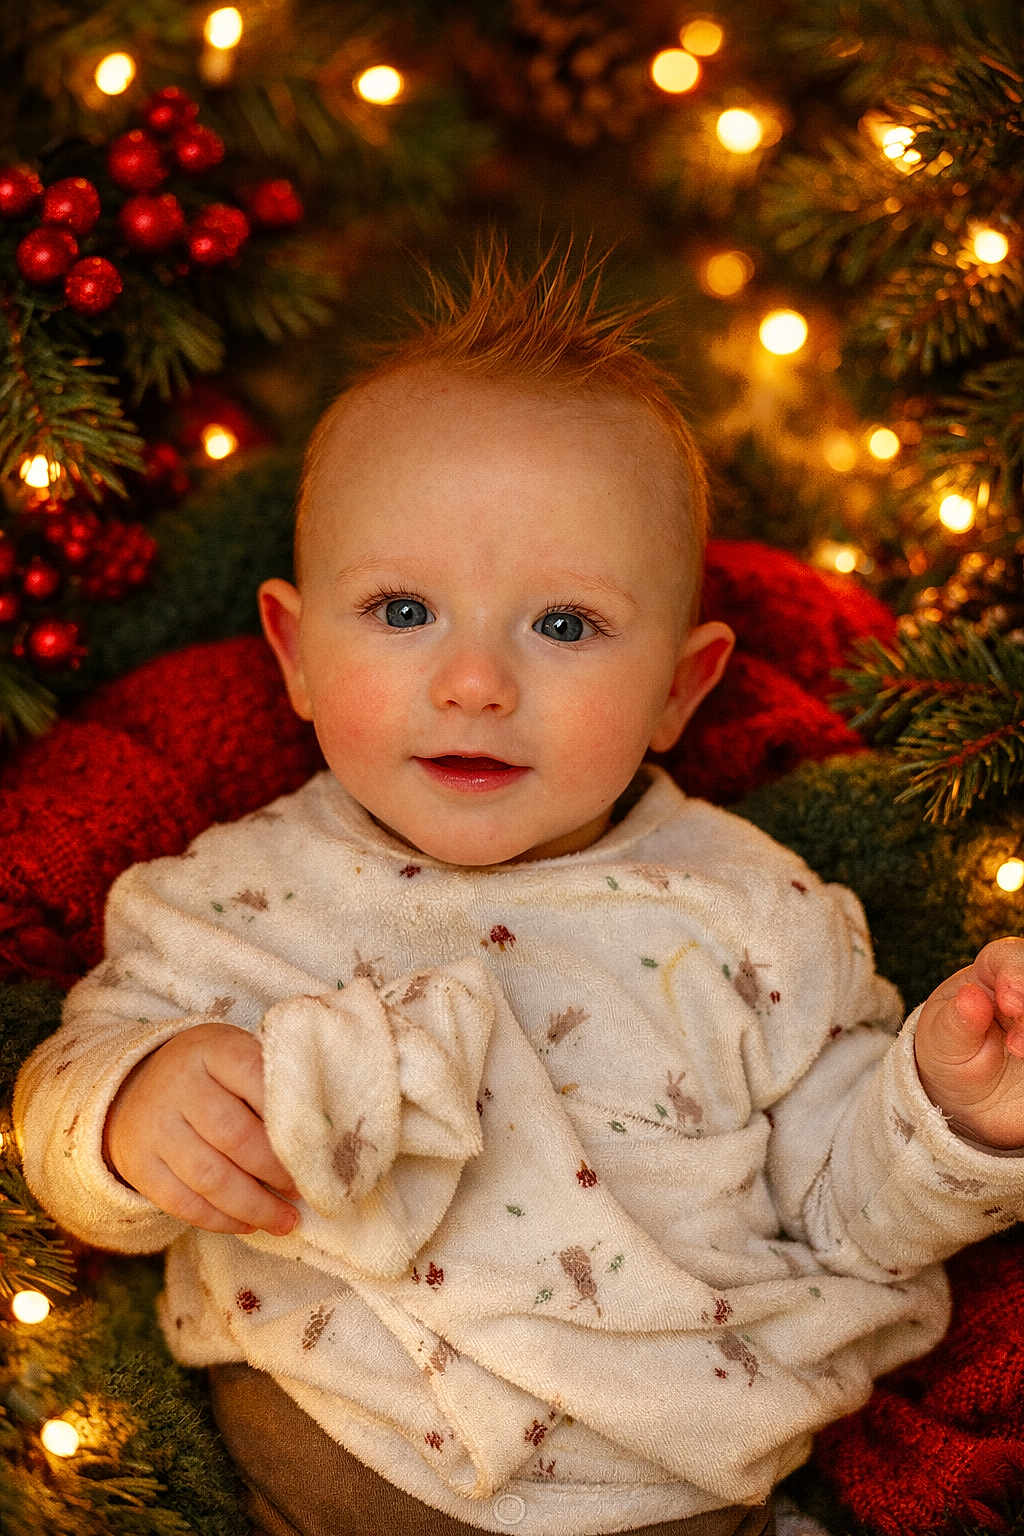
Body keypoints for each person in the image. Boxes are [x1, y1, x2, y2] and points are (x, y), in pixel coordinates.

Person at [14, 244, 1024, 1536]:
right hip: (329, 1473)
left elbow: (852, 1220)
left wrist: (952, 1113)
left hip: (673, 1492)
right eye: (400, 612)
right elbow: (59, 1103)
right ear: (293, 651)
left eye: (563, 626)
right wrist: (130, 1110)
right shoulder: (234, 897)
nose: (475, 683)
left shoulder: (755, 913)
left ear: (682, 685)